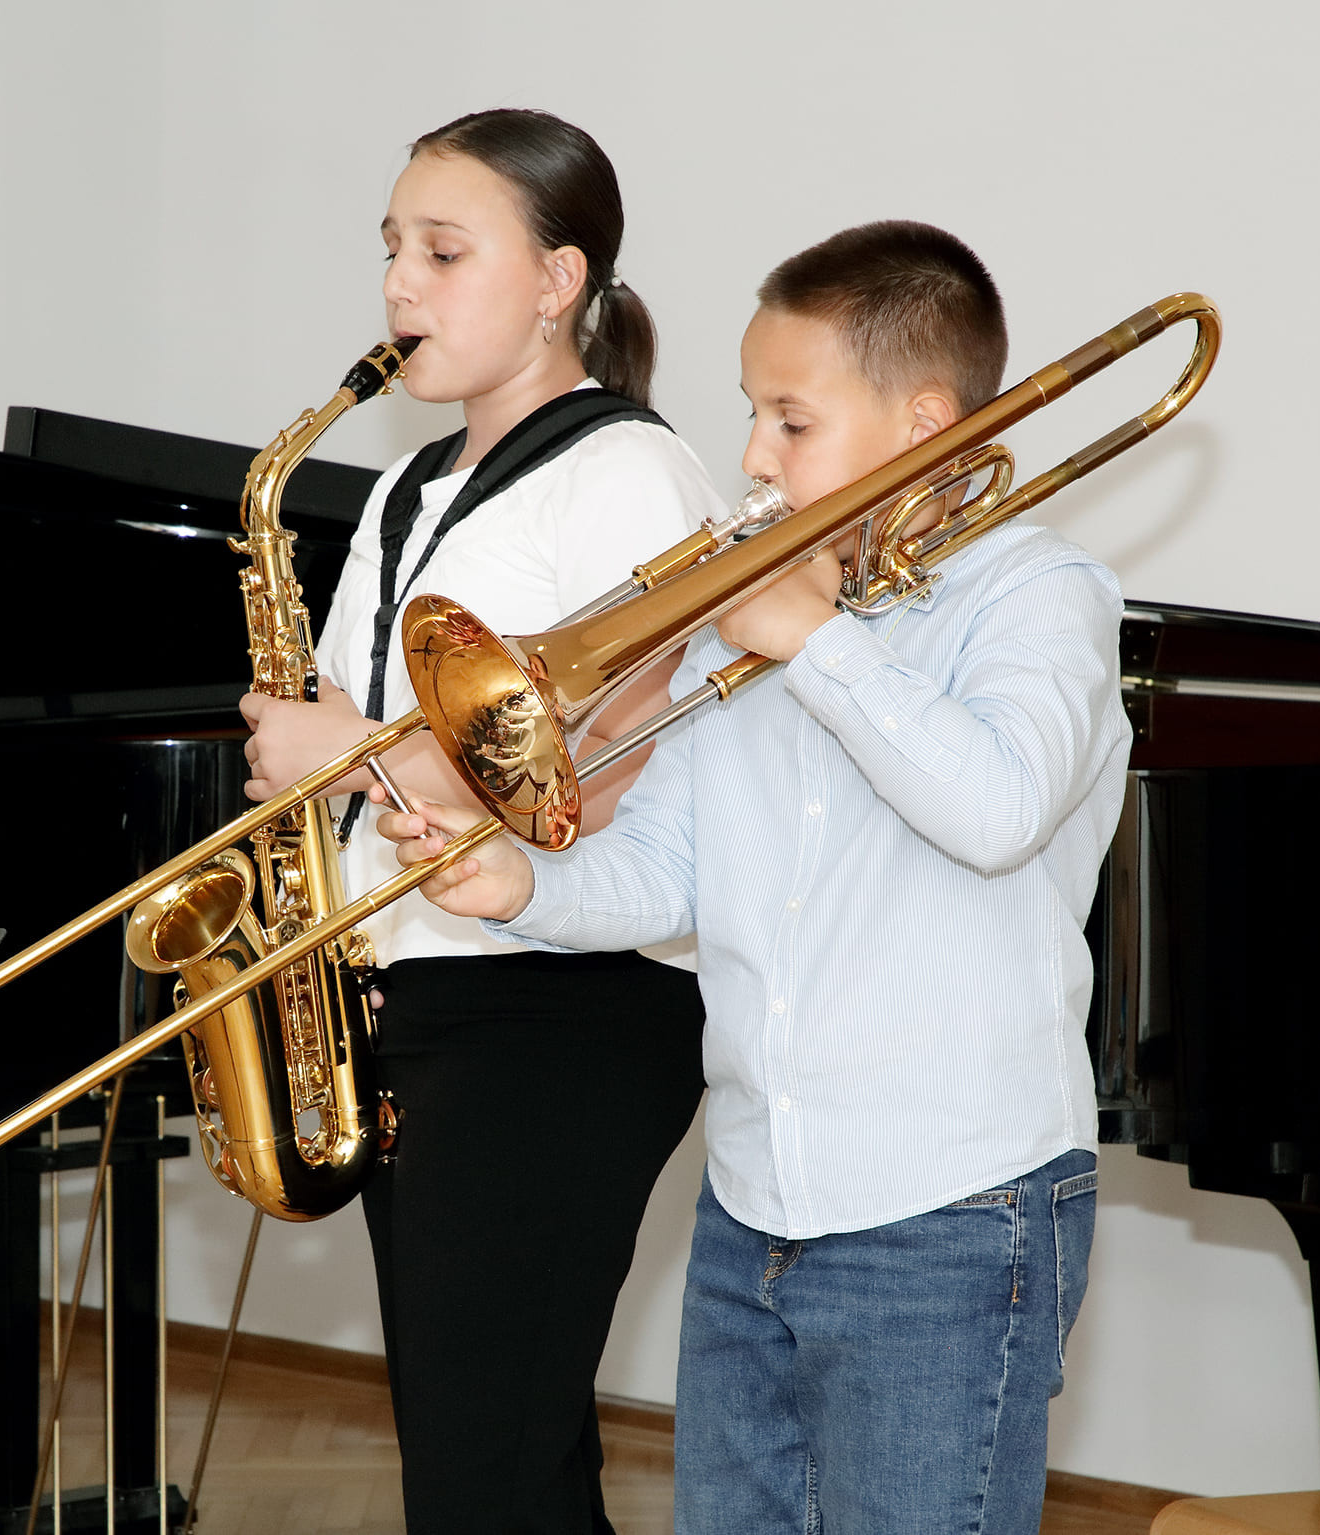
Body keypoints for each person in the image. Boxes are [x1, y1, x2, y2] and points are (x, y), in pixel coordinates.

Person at [378, 221, 1131, 1535]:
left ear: (920, 423)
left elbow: (996, 807)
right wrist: (520, 889)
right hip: (750, 1206)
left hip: (949, 1210)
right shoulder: (760, 625)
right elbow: (669, 865)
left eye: (790, 421)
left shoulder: (1037, 594)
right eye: (750, 414)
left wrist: (819, 644)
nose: (750, 458)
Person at [236, 109, 723, 1534]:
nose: (399, 284)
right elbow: (343, 725)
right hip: (420, 989)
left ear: (560, 280)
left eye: (444, 251)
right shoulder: (402, 487)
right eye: (392, 248)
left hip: (564, 1007)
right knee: (490, 1456)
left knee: (484, 1465)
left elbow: (615, 772)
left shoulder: (628, 475)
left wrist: (348, 754)